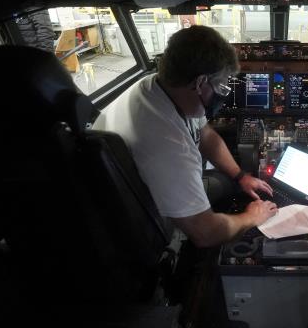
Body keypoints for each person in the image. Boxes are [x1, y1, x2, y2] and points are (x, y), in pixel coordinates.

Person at [94, 25, 277, 247]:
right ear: (200, 83)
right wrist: (251, 217)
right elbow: (205, 233)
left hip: (126, 192)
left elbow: (207, 135)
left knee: (230, 183)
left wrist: (241, 176)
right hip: (138, 219)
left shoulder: (159, 87)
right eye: (220, 86)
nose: (222, 93)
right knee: (231, 197)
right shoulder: (169, 146)